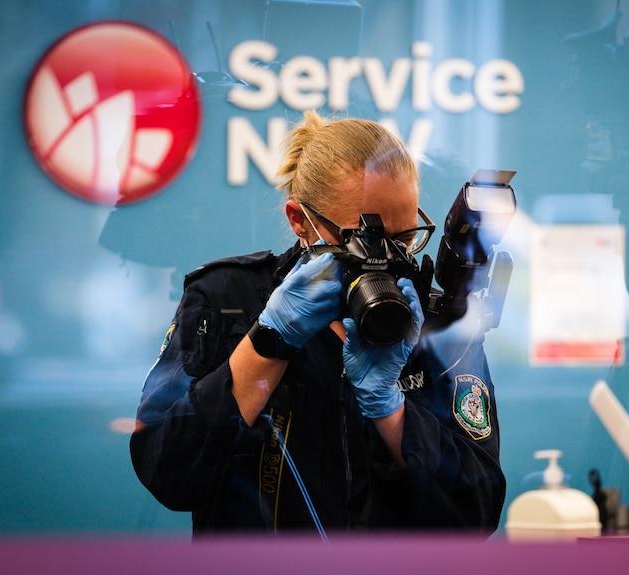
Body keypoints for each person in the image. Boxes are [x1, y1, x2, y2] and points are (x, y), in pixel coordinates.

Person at [130, 110, 506, 535]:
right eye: (363, 238)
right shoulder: (226, 300)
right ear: (299, 220)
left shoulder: (435, 324)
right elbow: (167, 473)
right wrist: (270, 340)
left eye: (404, 239)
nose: (388, 258)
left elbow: (478, 511)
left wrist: (391, 411)